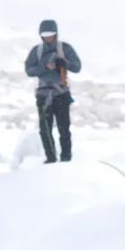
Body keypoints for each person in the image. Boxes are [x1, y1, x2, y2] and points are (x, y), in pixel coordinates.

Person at [24, 19, 81, 163]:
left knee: (64, 129)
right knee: (45, 129)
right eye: (45, 34)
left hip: (61, 93)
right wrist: (44, 67)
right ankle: (50, 158)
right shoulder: (36, 51)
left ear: (56, 34)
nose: (48, 37)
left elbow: (77, 67)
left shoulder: (65, 49)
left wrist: (64, 63)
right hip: (43, 94)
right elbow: (29, 70)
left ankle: (66, 158)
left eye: (50, 34)